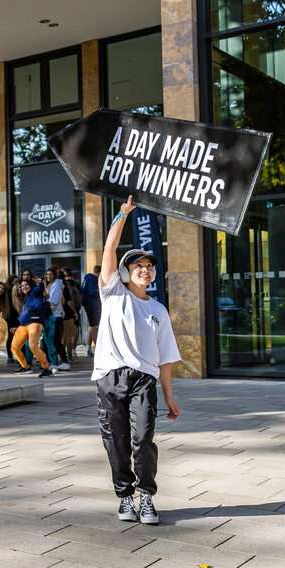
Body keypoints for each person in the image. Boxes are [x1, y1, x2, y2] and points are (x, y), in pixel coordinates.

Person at [94, 196, 181, 526]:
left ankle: (146, 496)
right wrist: (122, 214)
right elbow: (109, 249)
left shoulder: (158, 311)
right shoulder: (113, 293)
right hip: (110, 378)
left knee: (142, 438)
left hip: (143, 381)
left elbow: (166, 359)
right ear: (125, 274)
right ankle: (125, 498)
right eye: (137, 266)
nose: (145, 270)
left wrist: (170, 396)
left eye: (149, 266)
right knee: (115, 441)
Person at [10, 276, 53, 378]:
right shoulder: (25, 298)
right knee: (14, 347)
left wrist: (41, 283)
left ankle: (47, 369)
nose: (24, 287)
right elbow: (24, 315)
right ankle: (25, 367)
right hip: (23, 325)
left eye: (26, 285)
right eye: (22, 286)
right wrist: (17, 327)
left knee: (33, 346)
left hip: (35, 323)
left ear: (30, 286)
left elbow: (40, 288)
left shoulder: (35, 292)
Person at [45, 267, 71, 371]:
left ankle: (64, 362)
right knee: (53, 341)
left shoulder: (55, 285)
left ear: (55, 275)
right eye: (47, 274)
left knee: (56, 341)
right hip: (54, 316)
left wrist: (44, 306)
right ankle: (56, 362)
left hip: (55, 317)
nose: (48, 276)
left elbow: (54, 302)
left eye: (50, 274)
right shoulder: (52, 285)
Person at [82, 265, 102, 357]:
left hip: (88, 305)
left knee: (91, 326)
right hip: (93, 306)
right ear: (99, 272)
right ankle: (98, 349)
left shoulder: (87, 277)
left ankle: (88, 349)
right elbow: (92, 291)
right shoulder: (92, 279)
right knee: (95, 327)